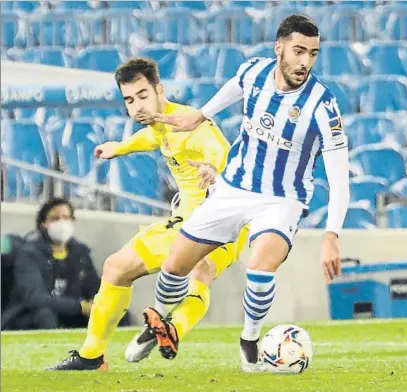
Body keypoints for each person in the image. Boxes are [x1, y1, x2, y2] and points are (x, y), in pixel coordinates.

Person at [141, 14, 350, 372]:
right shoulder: (253, 71)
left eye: (313, 54)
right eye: (298, 51)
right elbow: (223, 97)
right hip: (234, 186)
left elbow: (339, 176)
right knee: (176, 263)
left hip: (282, 198)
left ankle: (250, 339)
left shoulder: (322, 105)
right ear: (279, 47)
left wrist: (331, 235)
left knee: (260, 263)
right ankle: (158, 319)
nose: (305, 62)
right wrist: (199, 115)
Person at [49, 57, 248, 371]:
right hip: (229, 224)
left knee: (118, 268)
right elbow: (155, 137)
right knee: (197, 276)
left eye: (143, 95)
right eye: (129, 99)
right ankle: (172, 329)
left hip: (205, 219)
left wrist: (213, 169)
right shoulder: (163, 122)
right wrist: (121, 147)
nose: (137, 106)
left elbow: (216, 150)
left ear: (159, 89)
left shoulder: (190, 123)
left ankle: (92, 355)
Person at [5, 198, 102, 331]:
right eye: (55, 218)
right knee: (45, 315)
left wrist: (99, 304)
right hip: (29, 315)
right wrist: (80, 307)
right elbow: (35, 298)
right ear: (43, 224)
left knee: (117, 313)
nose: (62, 223)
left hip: (71, 314)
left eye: (66, 217)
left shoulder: (81, 253)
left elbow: (94, 287)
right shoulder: (29, 253)